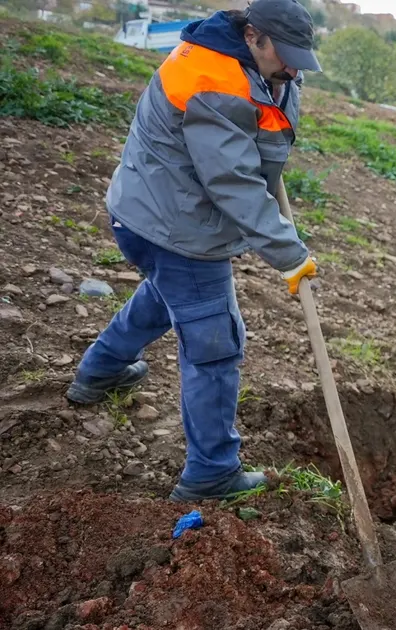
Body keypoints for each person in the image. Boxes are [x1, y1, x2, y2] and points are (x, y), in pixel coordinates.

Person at [66, 0, 322, 502]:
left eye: (300, 60)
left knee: (167, 295)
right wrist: (289, 254)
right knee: (214, 344)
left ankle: (101, 371)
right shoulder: (212, 78)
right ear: (253, 36)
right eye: (286, 58)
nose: (294, 71)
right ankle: (211, 473)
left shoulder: (258, 65)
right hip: (176, 227)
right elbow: (232, 180)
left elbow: (261, 129)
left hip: (151, 214)